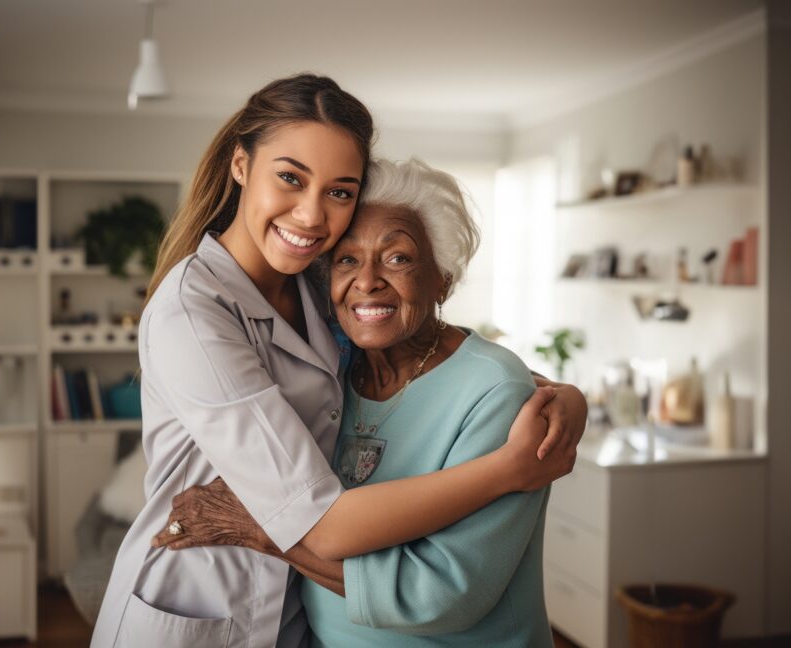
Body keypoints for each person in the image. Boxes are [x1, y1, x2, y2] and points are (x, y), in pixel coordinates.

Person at [92, 74, 585, 648]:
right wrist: (507, 468)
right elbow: (321, 525)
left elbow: (464, 373)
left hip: (290, 615)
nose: (309, 215)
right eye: (290, 178)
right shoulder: (193, 314)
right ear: (240, 165)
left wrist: (563, 397)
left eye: (339, 191)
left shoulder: (314, 294)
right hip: (198, 605)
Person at [154, 158, 555, 647]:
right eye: (347, 259)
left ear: (442, 280)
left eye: (398, 258)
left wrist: (263, 528)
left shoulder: (494, 390)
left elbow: (440, 592)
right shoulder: (334, 368)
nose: (367, 281)